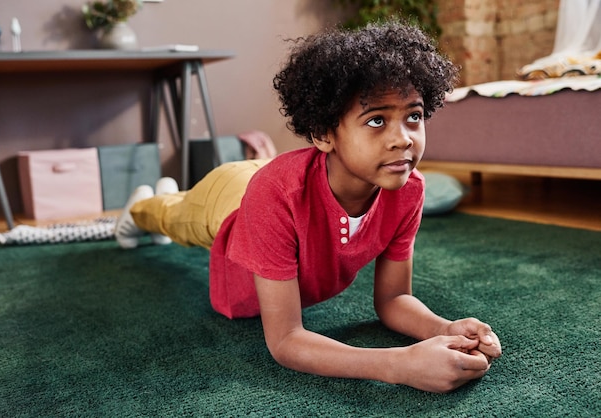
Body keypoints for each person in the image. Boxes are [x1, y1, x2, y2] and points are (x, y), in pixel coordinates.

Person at [115, 19, 502, 393]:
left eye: (413, 116)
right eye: (376, 121)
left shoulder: (408, 190)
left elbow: (393, 299)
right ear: (322, 133)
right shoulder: (275, 195)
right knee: (175, 217)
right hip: (232, 196)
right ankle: (143, 206)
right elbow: (285, 340)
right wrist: (397, 364)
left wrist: (443, 328)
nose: (402, 139)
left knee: (188, 203)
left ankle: (163, 195)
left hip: (283, 180)